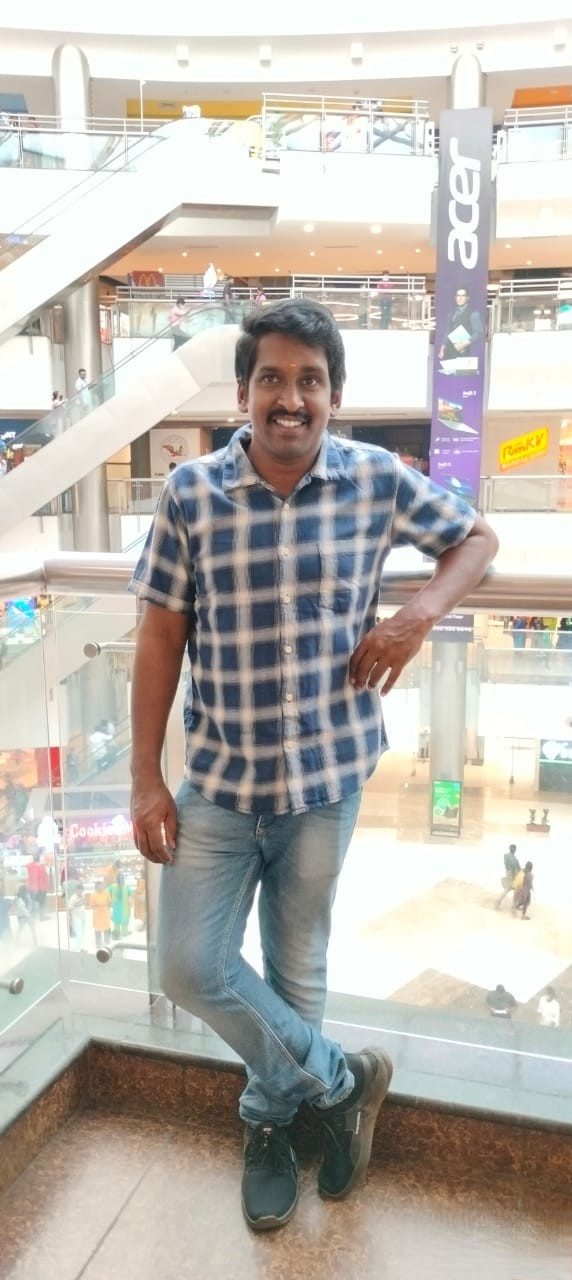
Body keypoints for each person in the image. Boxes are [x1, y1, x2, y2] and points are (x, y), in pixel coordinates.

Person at [129, 297, 498, 1232]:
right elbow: (160, 633)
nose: (290, 399)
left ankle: (271, 1124)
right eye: (272, 379)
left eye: (310, 381)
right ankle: (342, 1083)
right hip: (219, 782)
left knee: (299, 969)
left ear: (334, 395)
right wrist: (144, 775)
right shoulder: (191, 494)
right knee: (188, 967)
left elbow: (477, 539)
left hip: (327, 782)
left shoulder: (375, 478)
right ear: (243, 392)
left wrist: (417, 616)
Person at [438, 287, 484, 364]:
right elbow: (448, 331)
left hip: (463, 352)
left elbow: (479, 333)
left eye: (463, 295)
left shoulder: (473, 313)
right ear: (455, 297)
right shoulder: (451, 313)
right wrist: (442, 349)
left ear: (468, 298)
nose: (460, 298)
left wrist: (464, 344)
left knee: (461, 371)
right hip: (448, 351)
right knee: (448, 371)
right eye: (458, 295)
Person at [496, 842, 521, 910]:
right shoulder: (515, 860)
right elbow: (518, 869)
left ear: (509, 849)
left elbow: (506, 863)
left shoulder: (505, 856)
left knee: (507, 889)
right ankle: (514, 905)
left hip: (507, 873)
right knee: (514, 890)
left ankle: (499, 901)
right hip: (512, 876)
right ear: (515, 850)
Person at [109, 871, 131, 940]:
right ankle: (120, 934)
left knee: (119, 922)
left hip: (121, 908)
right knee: (119, 922)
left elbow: (130, 896)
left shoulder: (114, 886)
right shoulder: (115, 886)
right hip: (120, 908)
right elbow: (130, 896)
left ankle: (119, 934)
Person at [91, 879, 112, 949]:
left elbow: (110, 902)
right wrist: (99, 905)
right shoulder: (93, 895)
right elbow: (92, 905)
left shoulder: (106, 893)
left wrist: (106, 906)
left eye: (101, 886)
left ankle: (107, 941)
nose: (100, 887)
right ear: (96, 887)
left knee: (106, 928)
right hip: (97, 914)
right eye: (99, 886)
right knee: (98, 929)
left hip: (105, 913)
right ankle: (98, 943)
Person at [67, 883, 87, 952]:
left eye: (81, 891)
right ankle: (76, 950)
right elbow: (69, 909)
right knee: (78, 934)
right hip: (76, 918)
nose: (80, 892)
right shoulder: (73, 898)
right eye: (79, 891)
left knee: (82, 933)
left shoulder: (83, 896)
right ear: (76, 890)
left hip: (83, 917)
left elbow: (83, 905)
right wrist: (70, 920)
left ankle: (81, 947)